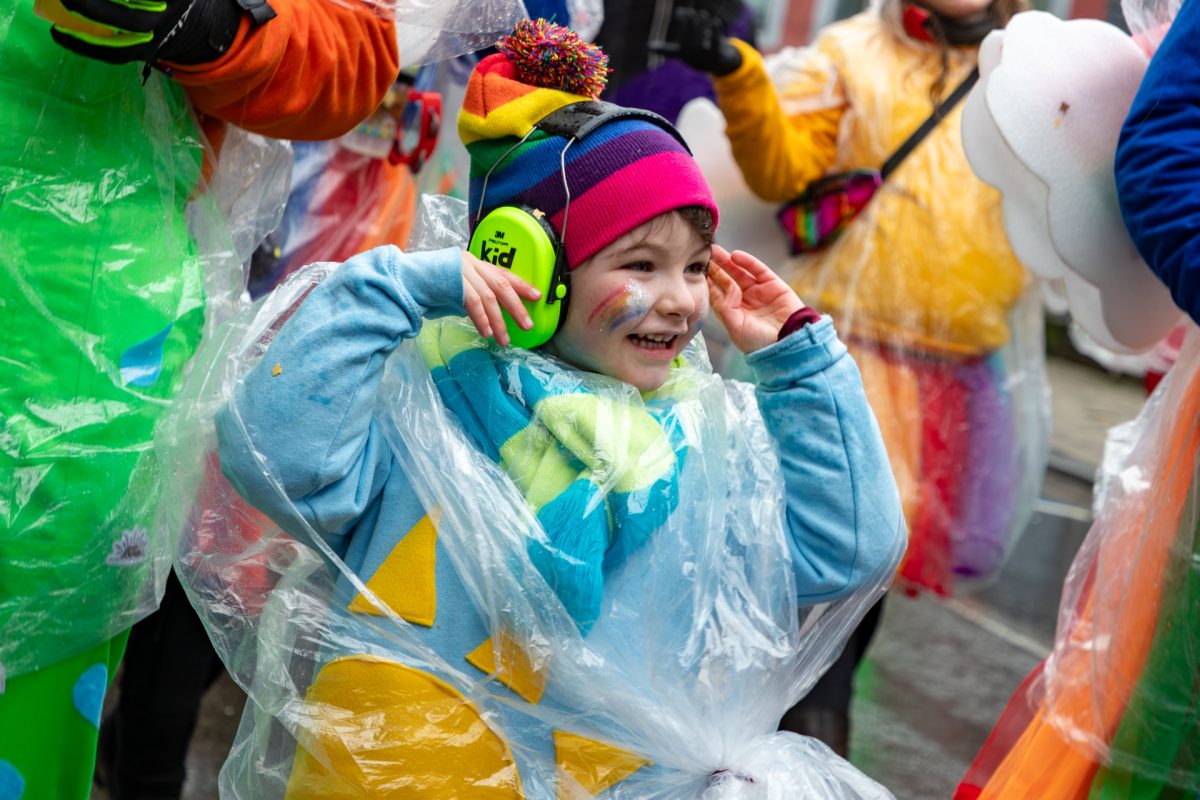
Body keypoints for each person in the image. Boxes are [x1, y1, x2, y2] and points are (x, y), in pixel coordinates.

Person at [205, 19, 905, 796]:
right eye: (641, 263)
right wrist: (399, 289)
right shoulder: (427, 408)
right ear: (528, 264)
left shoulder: (701, 442)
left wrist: (803, 365)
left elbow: (846, 554)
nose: (678, 300)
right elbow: (273, 452)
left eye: (697, 267)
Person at [0, 0, 398, 794]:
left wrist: (212, 24)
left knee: (38, 692)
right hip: (88, 316)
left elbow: (353, 52)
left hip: (80, 331)